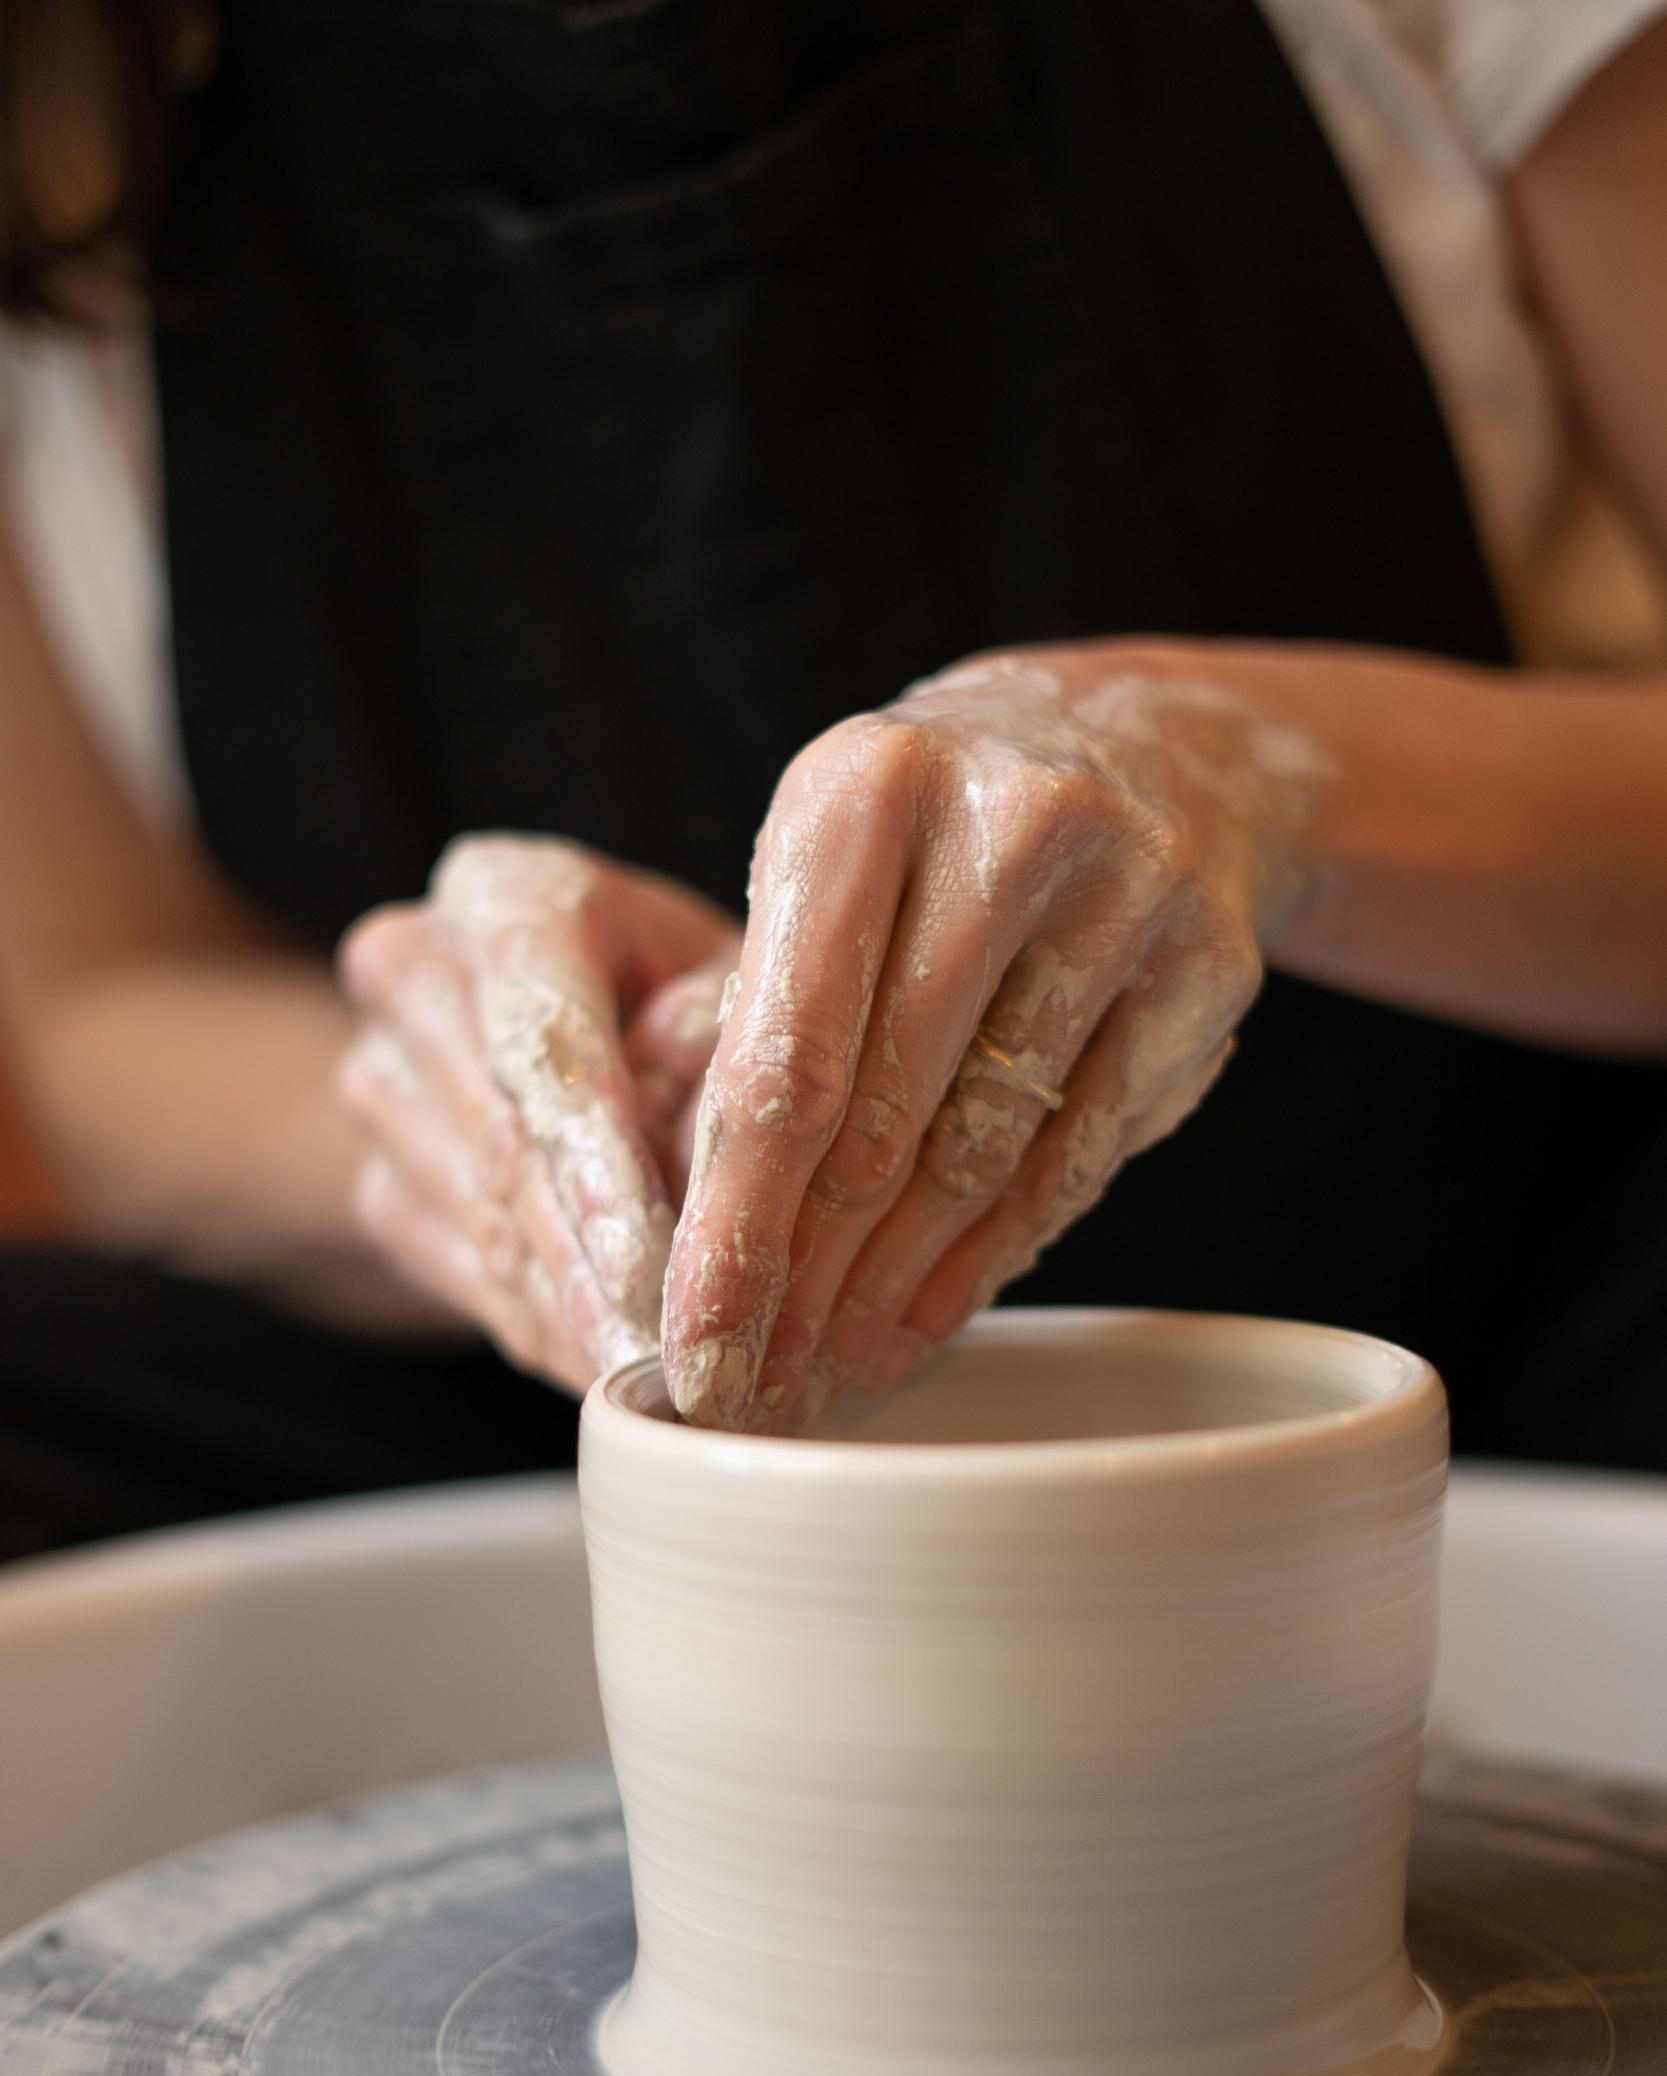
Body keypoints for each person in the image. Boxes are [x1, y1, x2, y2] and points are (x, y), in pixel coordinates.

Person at [0, 0, 1664, 1560]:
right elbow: (104, 1008)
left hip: (1480, 1310)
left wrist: (1248, 778)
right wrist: (488, 1130)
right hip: (578, 1430)